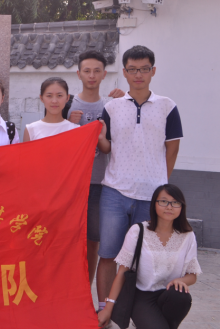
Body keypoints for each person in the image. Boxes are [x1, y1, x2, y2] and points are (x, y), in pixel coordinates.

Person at [96, 45, 183, 316]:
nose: (138, 75)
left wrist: (160, 183)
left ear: (153, 71)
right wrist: (97, 136)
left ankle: (135, 311)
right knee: (108, 254)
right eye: (132, 69)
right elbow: (107, 147)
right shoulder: (111, 107)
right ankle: (104, 309)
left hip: (151, 196)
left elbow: (172, 149)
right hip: (114, 192)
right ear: (124, 72)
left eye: (144, 69)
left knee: (143, 258)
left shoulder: (168, 106)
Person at [98, 184, 201, 329]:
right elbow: (122, 272)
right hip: (143, 296)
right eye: (164, 201)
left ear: (181, 207)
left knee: (181, 296)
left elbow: (192, 275)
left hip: (169, 295)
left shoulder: (187, 235)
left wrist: (180, 280)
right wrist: (107, 308)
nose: (169, 207)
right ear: (154, 204)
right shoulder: (138, 231)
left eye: (175, 202)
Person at [66, 50, 125, 288]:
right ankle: (66, 289)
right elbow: (55, 143)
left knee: (93, 241)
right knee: (68, 240)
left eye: (96, 71)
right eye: (87, 71)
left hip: (100, 183)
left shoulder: (112, 106)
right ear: (78, 74)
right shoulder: (66, 104)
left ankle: (85, 290)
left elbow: (111, 147)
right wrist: (69, 125)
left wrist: (125, 99)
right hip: (71, 184)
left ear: (104, 74)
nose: (91, 75)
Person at [22, 77, 79, 142]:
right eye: (49, 96)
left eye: (59, 95)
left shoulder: (75, 129)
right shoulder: (31, 130)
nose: (54, 101)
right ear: (41, 98)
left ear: (67, 98)